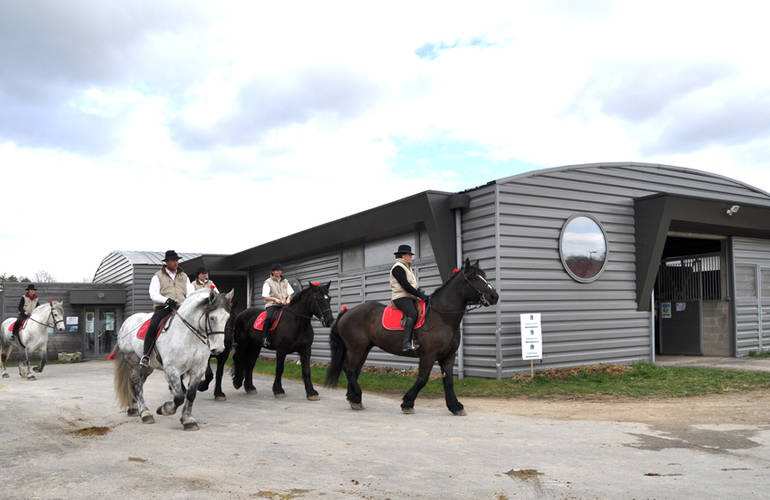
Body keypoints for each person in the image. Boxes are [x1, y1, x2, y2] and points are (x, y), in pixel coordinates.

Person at [139, 250, 195, 368]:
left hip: (182, 307)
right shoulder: (157, 276)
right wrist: (166, 300)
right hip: (164, 308)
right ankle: (146, 355)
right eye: (173, 261)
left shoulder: (184, 276)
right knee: (153, 325)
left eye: (177, 260)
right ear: (167, 262)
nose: (176, 263)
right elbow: (153, 294)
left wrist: (188, 302)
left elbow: (191, 291)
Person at [390, 244, 429, 351]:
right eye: (409, 255)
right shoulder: (397, 268)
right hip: (400, 296)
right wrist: (420, 295)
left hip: (410, 296)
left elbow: (413, 285)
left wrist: (423, 294)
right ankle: (406, 343)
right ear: (403, 256)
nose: (410, 257)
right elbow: (406, 286)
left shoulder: (407, 267)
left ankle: (416, 339)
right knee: (412, 313)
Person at [261, 263, 293, 348]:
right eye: (277, 270)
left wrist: (288, 299)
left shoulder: (285, 281)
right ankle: (265, 337)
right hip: (272, 304)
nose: (279, 272)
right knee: (269, 318)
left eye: (280, 270)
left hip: (284, 304)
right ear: (272, 272)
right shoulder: (268, 282)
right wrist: (275, 299)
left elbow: (290, 293)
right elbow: (265, 297)